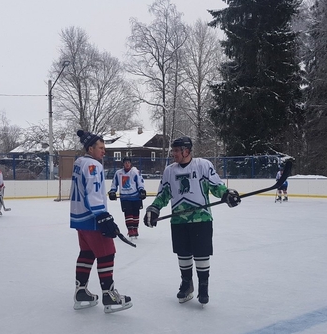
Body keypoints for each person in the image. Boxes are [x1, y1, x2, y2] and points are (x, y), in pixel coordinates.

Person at [143, 136, 241, 305]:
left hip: (201, 219)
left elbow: (216, 186)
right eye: (173, 150)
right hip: (178, 221)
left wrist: (226, 194)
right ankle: (187, 283)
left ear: (186, 151)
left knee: (201, 254)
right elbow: (163, 194)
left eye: (176, 150)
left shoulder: (203, 165)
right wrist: (154, 208)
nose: (173, 153)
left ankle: (204, 285)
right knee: (183, 253)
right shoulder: (169, 171)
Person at [70, 129, 132, 313]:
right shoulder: (93, 165)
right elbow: (93, 192)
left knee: (87, 253)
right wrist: (103, 216)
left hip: (79, 218)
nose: (104, 151)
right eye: (101, 148)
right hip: (93, 217)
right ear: (90, 148)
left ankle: (81, 292)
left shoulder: (79, 162)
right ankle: (109, 295)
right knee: (106, 253)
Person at [109, 157, 146, 239]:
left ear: (131, 163)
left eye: (128, 162)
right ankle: (130, 229)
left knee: (136, 213)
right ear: (123, 164)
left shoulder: (135, 172)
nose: (127, 164)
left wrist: (142, 190)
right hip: (125, 197)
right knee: (128, 213)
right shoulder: (118, 173)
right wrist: (112, 191)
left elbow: (140, 182)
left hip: (135, 197)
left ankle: (135, 229)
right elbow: (114, 183)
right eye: (125, 162)